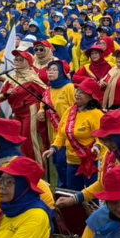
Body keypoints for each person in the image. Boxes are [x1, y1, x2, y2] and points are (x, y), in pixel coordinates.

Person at [43, 78, 103, 189]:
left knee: (92, 196)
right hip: (72, 161)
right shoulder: (70, 110)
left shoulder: (96, 114)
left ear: (91, 96)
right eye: (77, 91)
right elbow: (61, 133)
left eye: (82, 92)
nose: (77, 94)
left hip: (92, 161)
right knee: (73, 194)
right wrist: (53, 148)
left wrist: (97, 146)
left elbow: (102, 136)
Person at [0, 50, 48, 165]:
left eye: (20, 59)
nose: (17, 62)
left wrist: (42, 109)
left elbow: (46, 92)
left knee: (30, 140)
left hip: (30, 109)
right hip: (17, 112)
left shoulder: (32, 77)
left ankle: (37, 167)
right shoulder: (11, 77)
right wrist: (6, 94)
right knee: (21, 140)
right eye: (16, 59)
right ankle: (26, 165)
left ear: (28, 62)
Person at [0, 157, 53, 238]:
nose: (1, 186)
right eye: (0, 180)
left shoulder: (37, 216)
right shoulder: (9, 209)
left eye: (9, 182)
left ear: (23, 186)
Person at [41, 58, 75, 187]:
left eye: (55, 70)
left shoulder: (69, 87)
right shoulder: (48, 89)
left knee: (63, 162)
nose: (50, 72)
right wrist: (40, 112)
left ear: (62, 72)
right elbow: (43, 105)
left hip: (67, 132)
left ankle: (66, 187)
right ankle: (63, 187)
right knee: (57, 162)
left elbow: (76, 107)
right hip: (53, 132)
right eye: (49, 70)